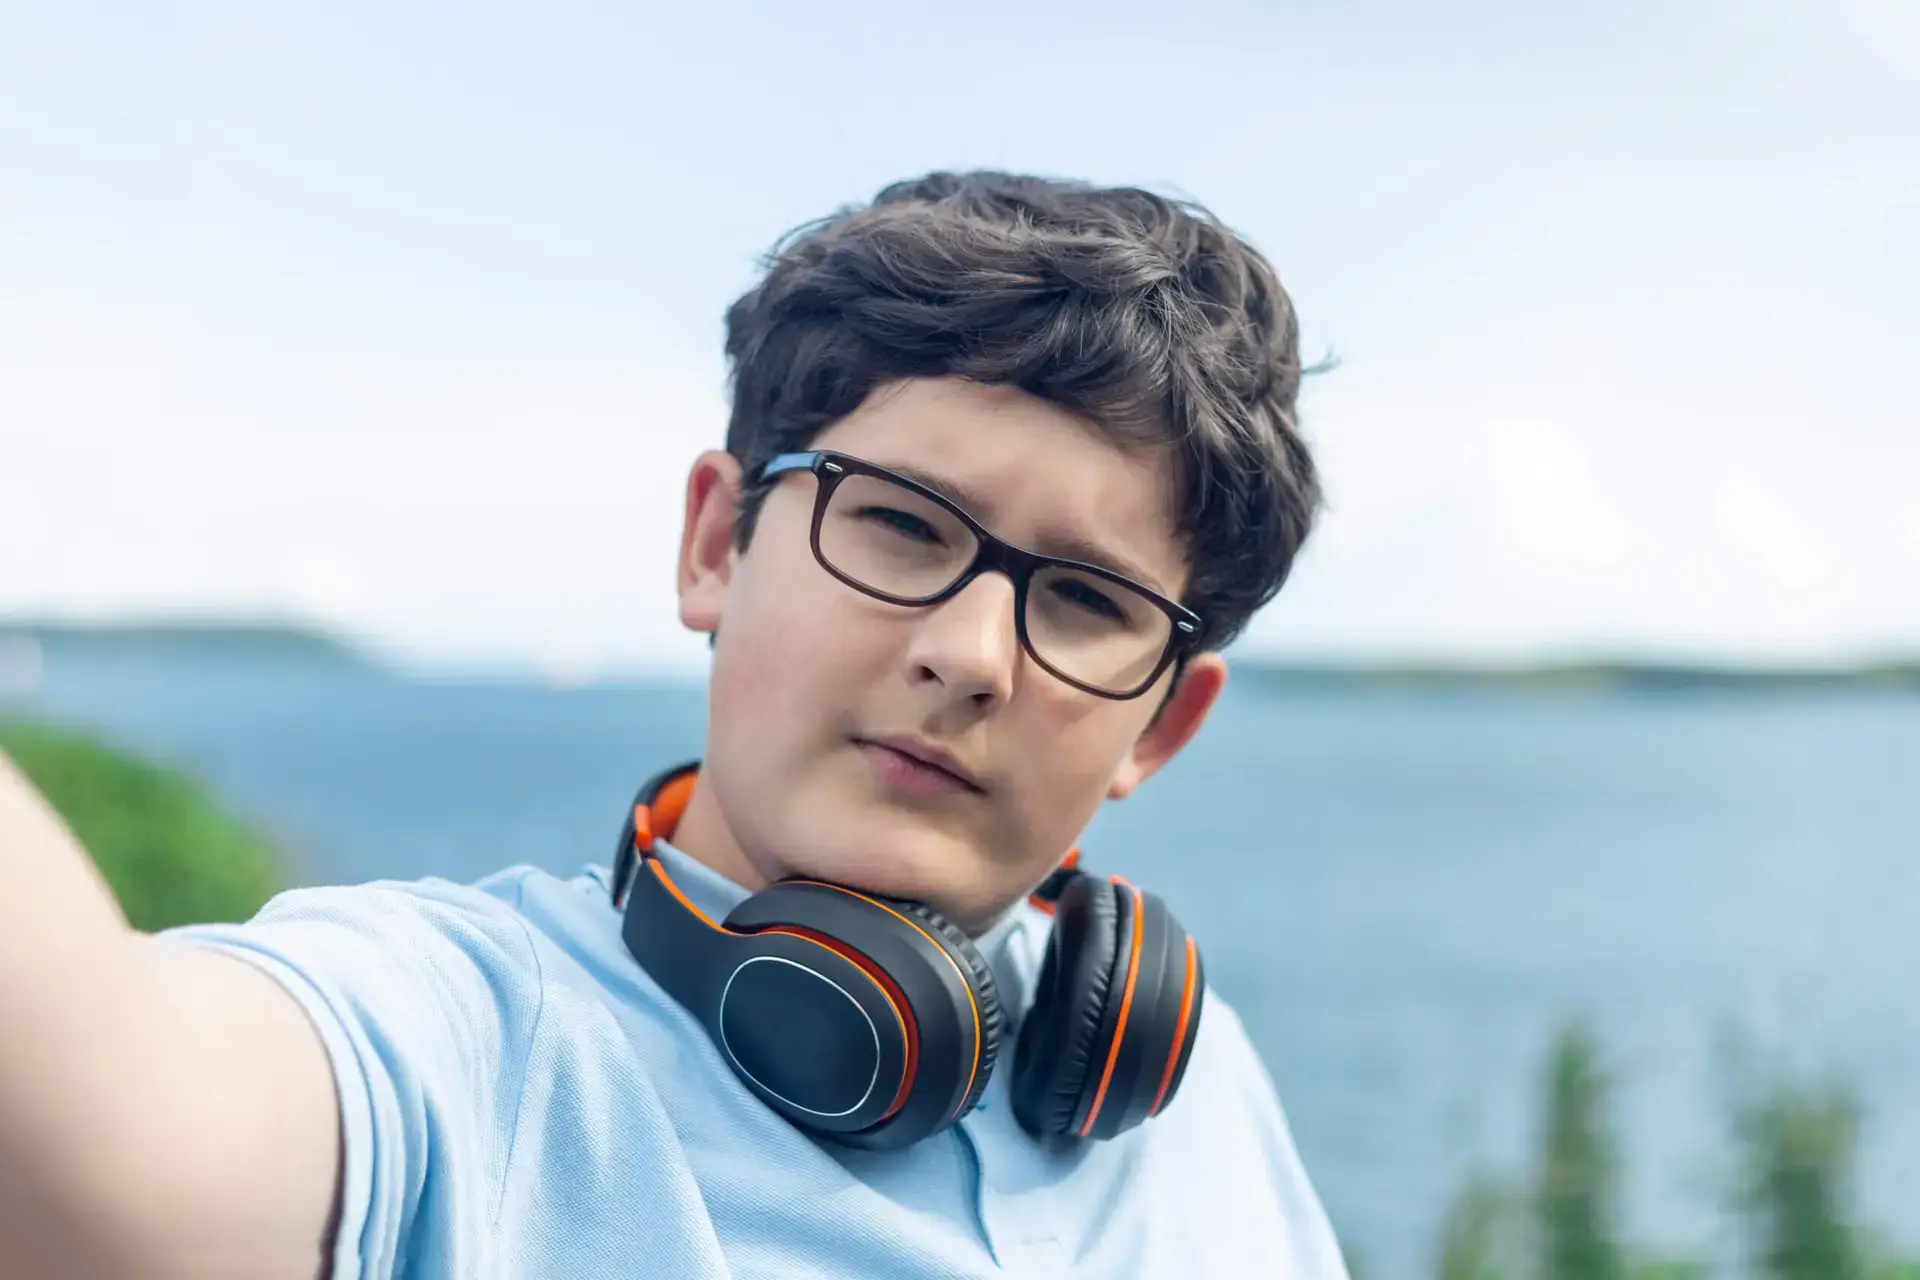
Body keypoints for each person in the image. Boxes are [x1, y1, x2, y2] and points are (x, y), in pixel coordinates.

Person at [0, 171, 1347, 1279]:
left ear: (1158, 729)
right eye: (896, 522)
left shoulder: (1188, 1080)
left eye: (1085, 601)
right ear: (716, 542)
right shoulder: (472, 1051)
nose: (971, 654)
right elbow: (107, 1134)